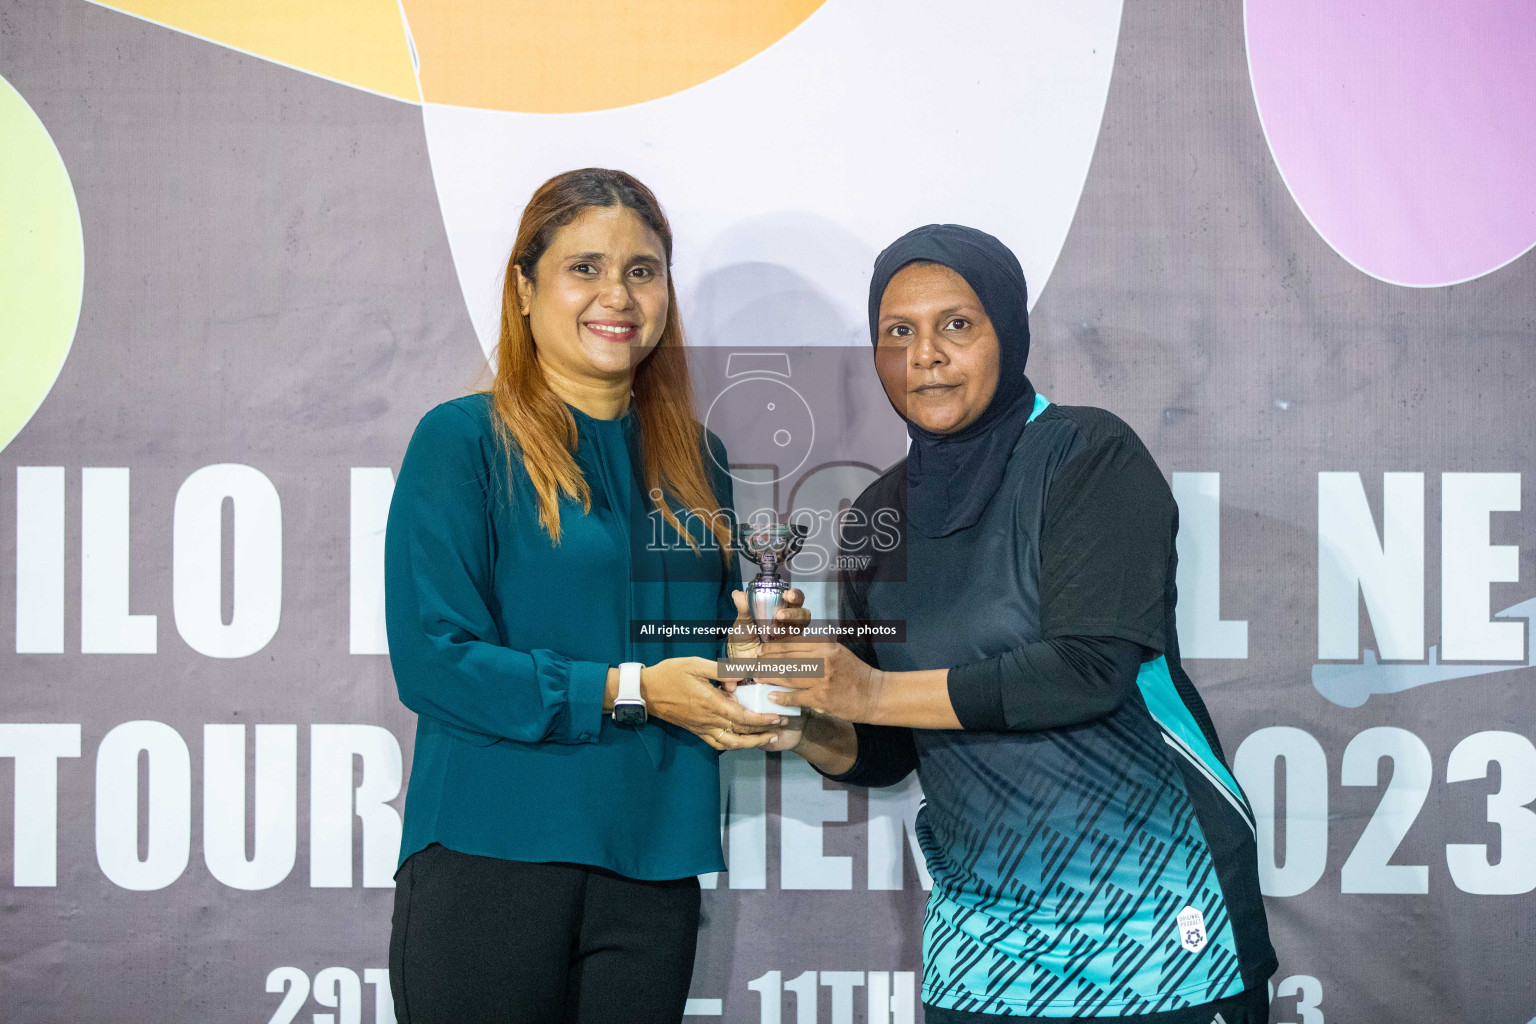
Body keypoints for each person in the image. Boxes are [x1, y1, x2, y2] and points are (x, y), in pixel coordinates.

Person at [757, 224, 1278, 1022]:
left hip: (1153, 937)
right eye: (898, 332)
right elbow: (888, 750)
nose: (925, 354)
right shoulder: (875, 517)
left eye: (956, 325)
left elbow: (1085, 671)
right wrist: (800, 719)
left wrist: (864, 691)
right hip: (981, 954)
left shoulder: (1086, 455)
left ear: (1009, 331)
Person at [383, 168, 801, 1024]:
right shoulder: (462, 440)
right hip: (491, 851)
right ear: (524, 285)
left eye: (643, 270)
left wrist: (759, 655)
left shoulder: (701, 458)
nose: (618, 294)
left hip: (651, 867)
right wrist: (634, 688)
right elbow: (435, 661)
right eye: (585, 267)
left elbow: (701, 650)